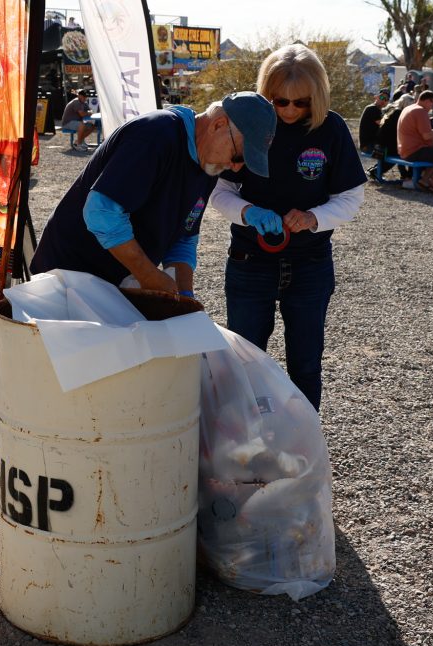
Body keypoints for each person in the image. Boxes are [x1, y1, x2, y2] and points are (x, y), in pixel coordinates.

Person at [208, 44, 364, 411]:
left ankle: (303, 446)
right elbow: (220, 190)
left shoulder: (332, 129)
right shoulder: (247, 123)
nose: (291, 111)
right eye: (280, 102)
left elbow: (351, 197)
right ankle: (243, 444)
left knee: (306, 365)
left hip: (310, 263)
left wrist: (314, 218)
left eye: (302, 103)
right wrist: (248, 212)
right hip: (250, 261)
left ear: (318, 97)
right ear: (266, 94)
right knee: (243, 362)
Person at [32, 92, 276, 300]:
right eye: (238, 157)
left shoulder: (209, 166)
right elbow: (101, 213)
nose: (235, 168)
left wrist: (185, 298)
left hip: (112, 285)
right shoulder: (156, 134)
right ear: (218, 125)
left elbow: (184, 238)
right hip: (66, 276)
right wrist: (148, 275)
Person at [397, 90, 433, 192]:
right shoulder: (420, 111)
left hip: (405, 150)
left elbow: (421, 132)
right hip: (414, 151)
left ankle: (424, 181)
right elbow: (427, 136)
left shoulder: (409, 108)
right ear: (428, 101)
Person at [369, 93, 413, 182]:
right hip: (386, 144)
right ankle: (376, 171)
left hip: (381, 141)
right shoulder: (399, 113)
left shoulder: (392, 109)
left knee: (400, 152)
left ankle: (404, 175)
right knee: (401, 153)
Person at [358, 89, 389, 153]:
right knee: (390, 152)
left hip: (370, 144)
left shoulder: (378, 110)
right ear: (376, 97)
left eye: (386, 99)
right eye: (382, 97)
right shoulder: (373, 108)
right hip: (368, 146)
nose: (383, 100)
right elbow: (382, 124)